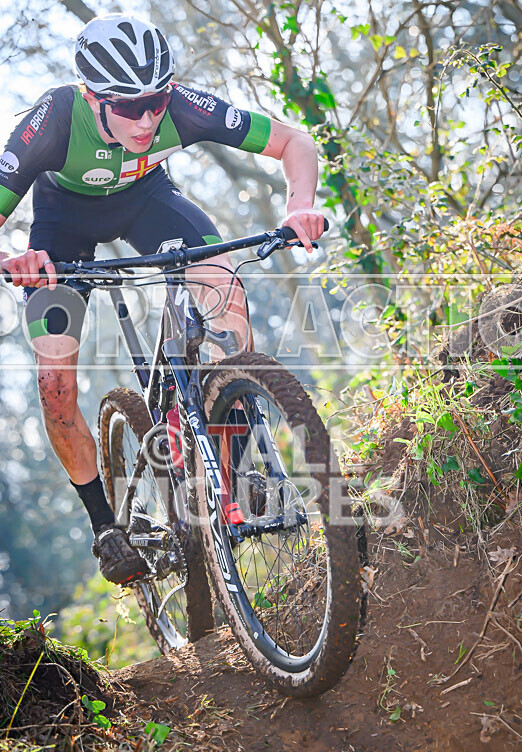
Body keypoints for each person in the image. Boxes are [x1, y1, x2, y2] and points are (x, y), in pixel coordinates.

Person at [0, 13, 325, 585]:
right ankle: (105, 527)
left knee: (225, 290)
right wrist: (15, 260)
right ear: (92, 97)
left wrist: (300, 205)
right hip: (61, 226)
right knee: (55, 384)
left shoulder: (183, 107)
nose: (148, 118)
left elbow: (294, 141)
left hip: (149, 204)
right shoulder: (53, 120)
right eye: (129, 107)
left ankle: (227, 466)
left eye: (156, 100)